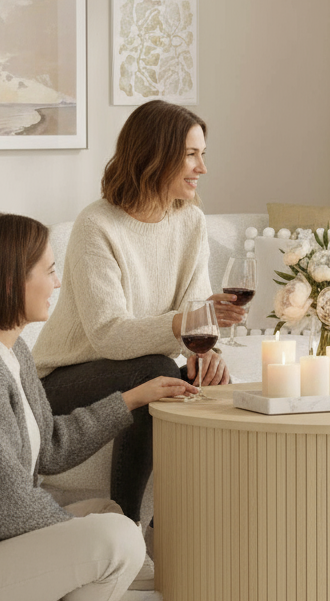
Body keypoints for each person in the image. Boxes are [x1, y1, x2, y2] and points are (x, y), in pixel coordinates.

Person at [0, 213, 199, 601]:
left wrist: (131, 399)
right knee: (121, 539)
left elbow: (49, 447)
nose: (56, 283)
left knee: (107, 513)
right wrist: (79, 538)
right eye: (49, 271)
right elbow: (4, 509)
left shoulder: (9, 348)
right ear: (11, 281)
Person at [33, 100, 245, 528]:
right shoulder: (97, 225)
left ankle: (176, 526)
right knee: (156, 370)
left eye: (203, 154)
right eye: (191, 154)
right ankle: (125, 524)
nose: (202, 167)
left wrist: (206, 353)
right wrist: (186, 323)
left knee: (208, 380)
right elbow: (109, 336)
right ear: (155, 155)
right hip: (62, 381)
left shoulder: (191, 222)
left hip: (137, 368)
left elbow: (196, 308)